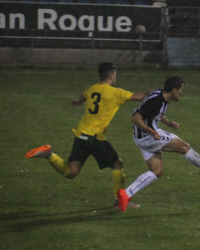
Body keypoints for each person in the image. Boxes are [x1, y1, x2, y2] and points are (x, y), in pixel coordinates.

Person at [24, 63, 150, 205]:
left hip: (81, 135)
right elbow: (140, 96)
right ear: (111, 75)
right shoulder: (116, 93)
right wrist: (160, 91)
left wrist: (78, 101)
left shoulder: (91, 89)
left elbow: (83, 96)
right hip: (95, 137)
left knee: (71, 172)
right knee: (117, 164)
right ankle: (119, 200)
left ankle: (48, 154)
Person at [117, 76, 200, 211]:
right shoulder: (157, 101)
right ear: (174, 89)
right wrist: (152, 132)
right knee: (184, 147)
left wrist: (168, 122)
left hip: (140, 138)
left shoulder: (159, 94)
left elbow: (150, 110)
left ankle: (126, 194)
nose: (182, 93)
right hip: (148, 137)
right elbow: (136, 118)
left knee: (157, 171)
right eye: (181, 90)